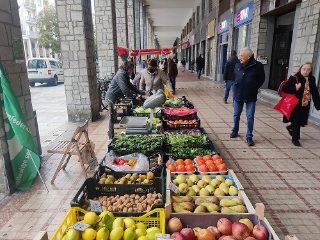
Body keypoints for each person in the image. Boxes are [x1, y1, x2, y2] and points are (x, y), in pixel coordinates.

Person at [231, 47, 265, 146]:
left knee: (250, 116)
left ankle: (249, 135)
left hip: (250, 94)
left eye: (242, 56)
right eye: (240, 55)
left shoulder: (258, 66)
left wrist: (253, 87)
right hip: (238, 93)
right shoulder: (237, 64)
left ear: (249, 56)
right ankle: (235, 130)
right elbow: (234, 76)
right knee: (236, 114)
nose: (239, 57)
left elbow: (261, 79)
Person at [282, 62, 320, 146]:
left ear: (310, 71)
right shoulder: (295, 78)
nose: (305, 71)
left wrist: (318, 104)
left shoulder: (311, 79)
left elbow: (314, 92)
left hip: (305, 103)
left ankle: (290, 127)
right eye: (304, 69)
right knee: (296, 120)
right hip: (296, 103)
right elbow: (285, 89)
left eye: (308, 69)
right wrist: (295, 88)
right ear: (300, 69)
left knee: (302, 120)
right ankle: (295, 139)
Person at [105, 61, 145, 139]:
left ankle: (120, 130)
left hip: (117, 97)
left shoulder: (125, 75)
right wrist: (134, 97)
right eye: (132, 69)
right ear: (128, 68)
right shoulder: (121, 74)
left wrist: (140, 92)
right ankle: (111, 134)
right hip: (111, 98)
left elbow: (130, 86)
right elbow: (125, 90)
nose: (132, 71)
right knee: (112, 116)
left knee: (119, 114)